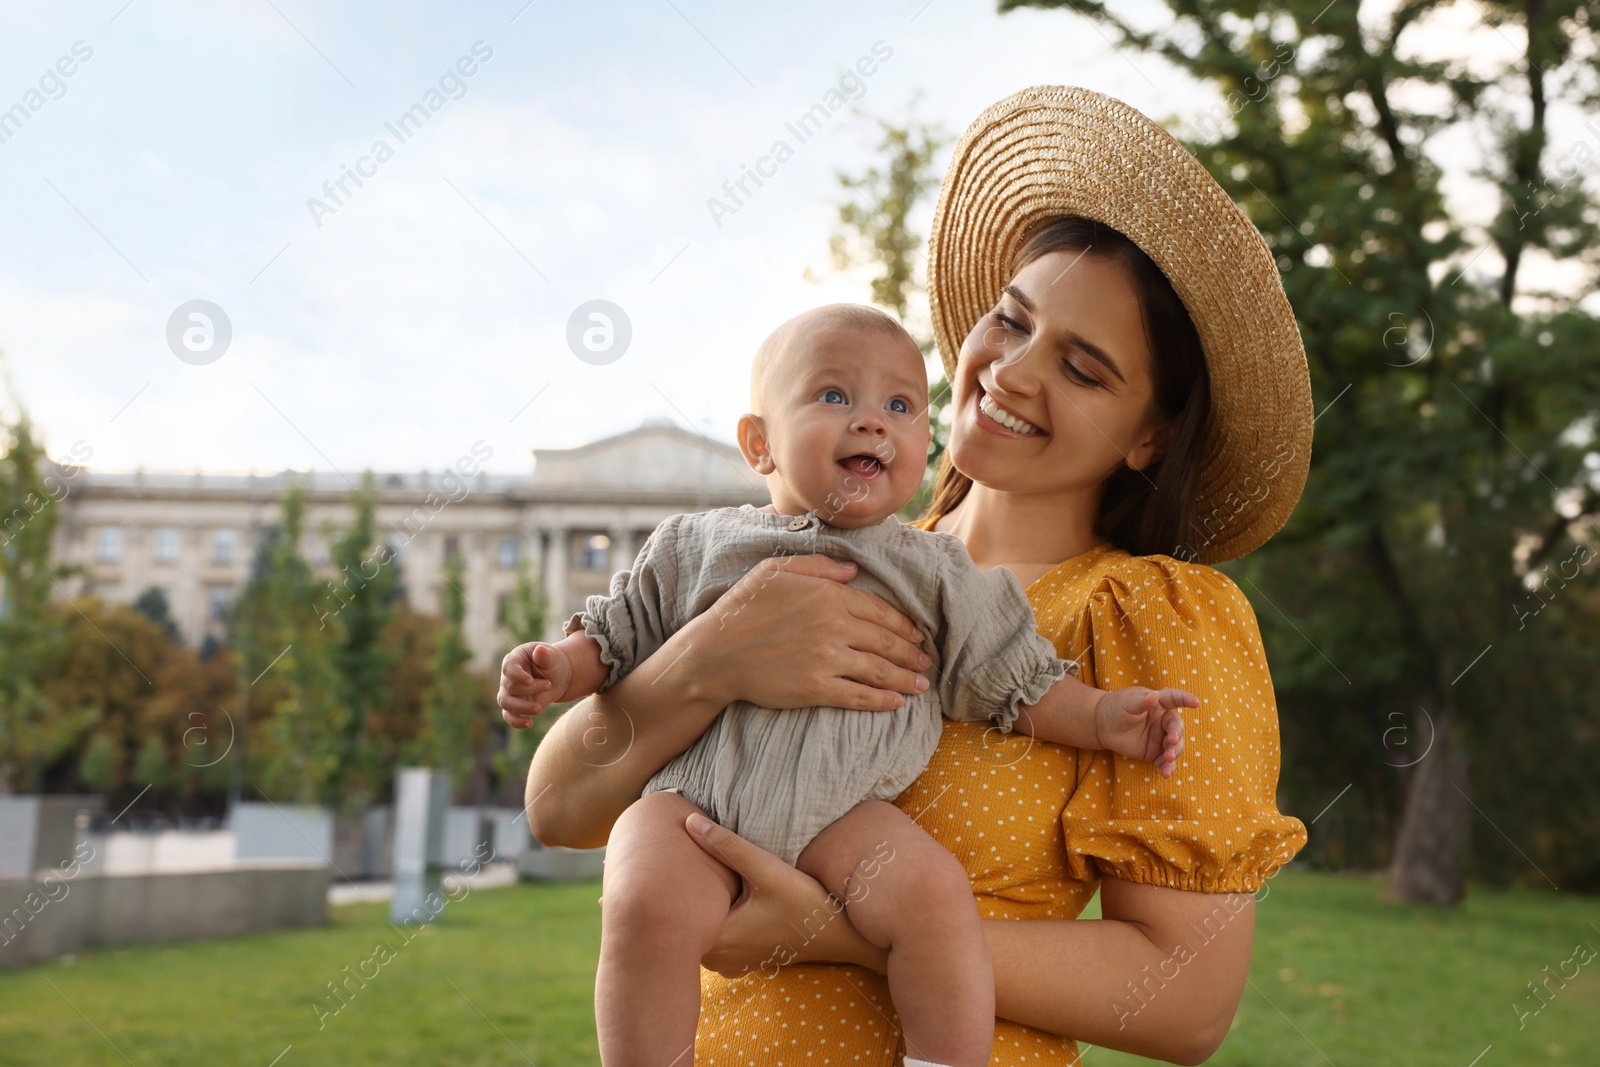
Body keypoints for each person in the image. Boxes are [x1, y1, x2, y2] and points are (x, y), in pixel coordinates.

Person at [502, 86, 1313, 1065]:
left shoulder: (1146, 616)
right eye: (1010, 322)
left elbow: (1187, 1001)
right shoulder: (814, 551)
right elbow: (557, 808)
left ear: (1151, 435)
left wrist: (833, 928)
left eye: (1082, 368)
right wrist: (709, 661)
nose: (1011, 372)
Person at [506, 302, 1193, 1067]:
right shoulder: (695, 542)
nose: (871, 422)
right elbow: (618, 630)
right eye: (835, 396)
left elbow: (1015, 679)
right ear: (759, 443)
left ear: (922, 445)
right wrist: (558, 665)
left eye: (898, 405)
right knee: (640, 898)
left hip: (847, 809)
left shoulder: (936, 572)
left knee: (935, 898)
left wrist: (1104, 717)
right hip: (693, 804)